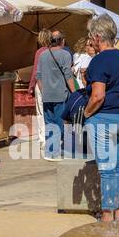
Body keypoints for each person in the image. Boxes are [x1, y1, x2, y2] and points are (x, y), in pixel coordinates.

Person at [81, 14, 119, 220]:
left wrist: (86, 114)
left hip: (105, 117)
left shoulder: (99, 61)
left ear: (97, 36)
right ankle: (118, 212)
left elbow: (98, 95)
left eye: (91, 36)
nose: (90, 40)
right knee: (115, 164)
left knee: (106, 168)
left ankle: (107, 215)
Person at [36, 31, 75, 160]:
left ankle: (49, 152)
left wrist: (43, 91)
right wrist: (74, 92)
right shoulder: (65, 55)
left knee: (49, 123)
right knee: (59, 124)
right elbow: (68, 75)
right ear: (62, 41)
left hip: (47, 95)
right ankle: (56, 152)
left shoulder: (43, 55)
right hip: (60, 95)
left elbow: (39, 76)